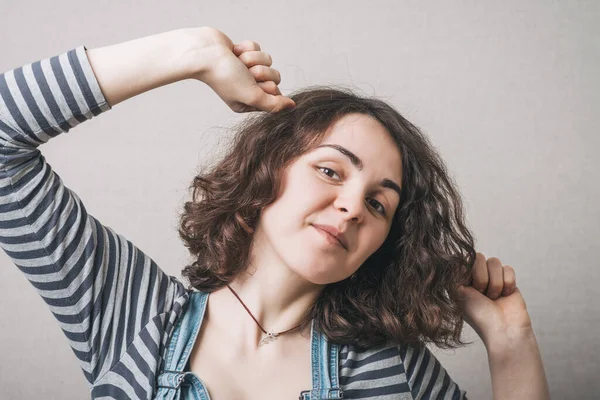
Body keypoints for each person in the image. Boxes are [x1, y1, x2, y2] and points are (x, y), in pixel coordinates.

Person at [0, 26, 550, 400]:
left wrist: (512, 343)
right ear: (266, 172)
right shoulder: (131, 313)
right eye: (332, 170)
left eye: (379, 203)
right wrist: (193, 52)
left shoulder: (388, 368)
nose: (353, 206)